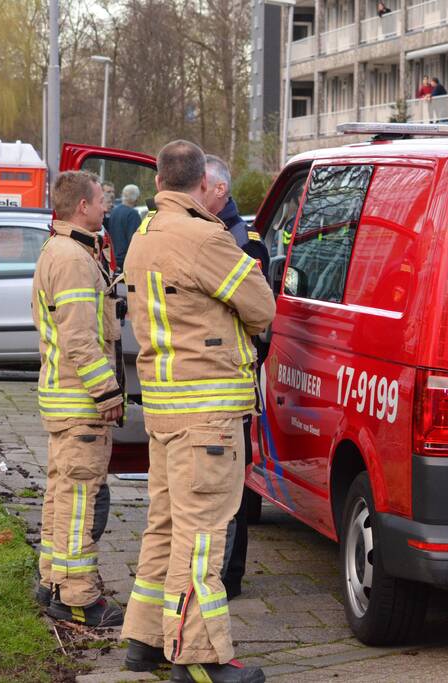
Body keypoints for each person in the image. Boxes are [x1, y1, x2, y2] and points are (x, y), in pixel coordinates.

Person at [120, 140, 274, 683]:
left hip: (164, 408)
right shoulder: (205, 236)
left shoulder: (143, 234)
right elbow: (261, 306)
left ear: (160, 178)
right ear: (199, 181)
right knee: (202, 534)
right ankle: (199, 658)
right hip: (206, 411)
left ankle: (144, 639)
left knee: (162, 528)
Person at [33, 170, 125, 628]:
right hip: (79, 403)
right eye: (100, 199)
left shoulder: (65, 248)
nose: (106, 206)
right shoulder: (72, 258)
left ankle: (52, 580)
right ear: (82, 207)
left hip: (63, 399)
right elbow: (79, 339)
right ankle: (76, 597)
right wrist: (106, 390)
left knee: (60, 496)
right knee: (78, 504)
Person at [203, 154, 273, 602]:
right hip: (210, 380)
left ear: (221, 191)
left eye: (201, 187)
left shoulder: (243, 242)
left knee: (233, 487)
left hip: (232, 378)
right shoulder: (206, 235)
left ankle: (230, 574)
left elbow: (260, 322)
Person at [107, 184, 143, 270]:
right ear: (135, 198)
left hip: (113, 259)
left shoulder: (114, 211)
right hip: (126, 261)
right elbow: (134, 240)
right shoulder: (133, 214)